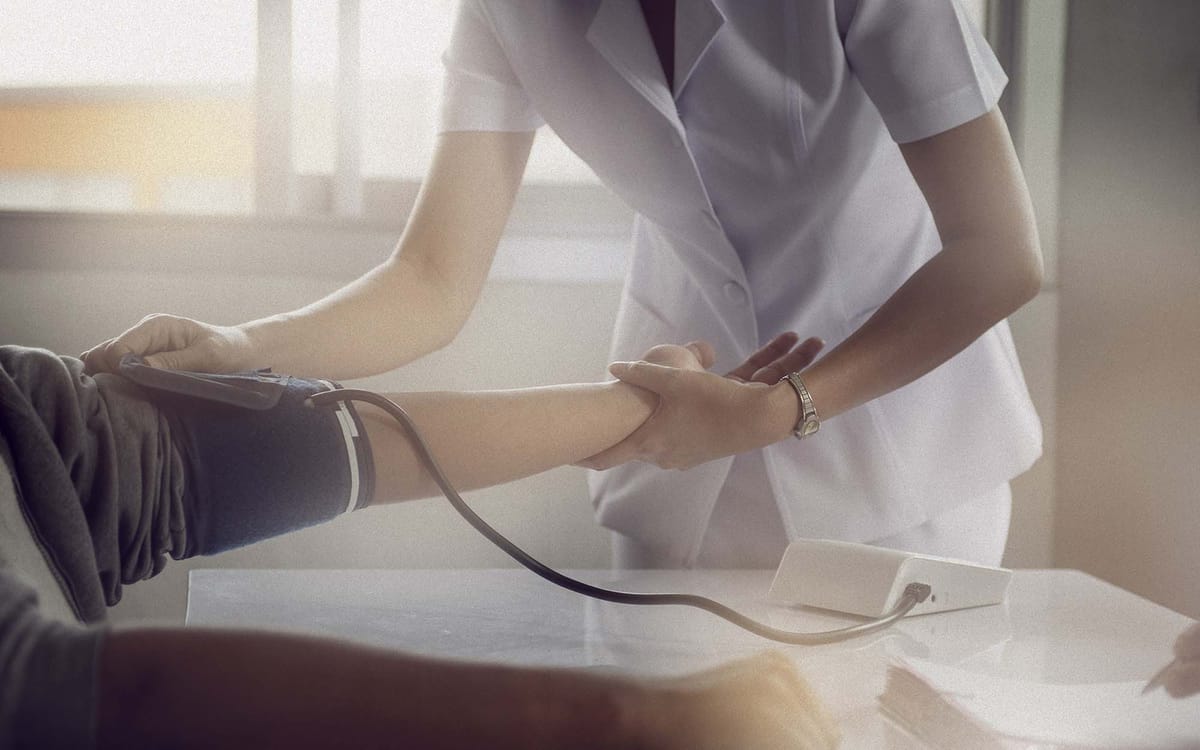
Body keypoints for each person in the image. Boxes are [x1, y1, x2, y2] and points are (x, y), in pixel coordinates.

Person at [83, 1, 1044, 570]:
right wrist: (244, 350)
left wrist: (777, 410)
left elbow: (1001, 251)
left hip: (901, 469)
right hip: (682, 476)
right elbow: (430, 278)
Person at [0, 341, 841, 748]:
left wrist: (652, 408)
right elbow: (49, 692)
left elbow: (236, 460)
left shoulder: (27, 412)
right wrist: (624, 721)